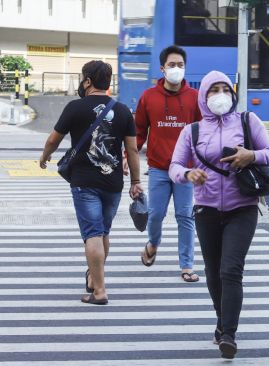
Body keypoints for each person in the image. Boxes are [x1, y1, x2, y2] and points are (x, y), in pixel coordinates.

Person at [169, 70, 269, 359]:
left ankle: (229, 333)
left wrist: (250, 155)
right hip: (205, 210)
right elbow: (174, 166)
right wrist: (188, 173)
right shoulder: (191, 131)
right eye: (213, 90)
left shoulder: (247, 121)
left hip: (242, 207)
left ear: (233, 93)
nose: (220, 95)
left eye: (225, 89)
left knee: (231, 270)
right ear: (203, 96)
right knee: (213, 273)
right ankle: (221, 322)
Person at [39, 60, 142, 305]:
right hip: (113, 183)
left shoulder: (75, 107)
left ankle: (99, 291)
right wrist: (136, 181)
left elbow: (54, 139)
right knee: (103, 232)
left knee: (93, 234)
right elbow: (133, 150)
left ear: (87, 81)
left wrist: (45, 157)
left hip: (84, 182)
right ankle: (93, 278)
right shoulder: (124, 110)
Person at [130, 45, 202, 282]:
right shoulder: (148, 97)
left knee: (185, 216)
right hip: (159, 167)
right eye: (171, 65)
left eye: (180, 65)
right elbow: (138, 131)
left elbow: (204, 132)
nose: (176, 69)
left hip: (186, 169)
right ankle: (152, 243)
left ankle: (187, 265)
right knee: (155, 214)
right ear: (162, 68)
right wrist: (127, 156)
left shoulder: (195, 98)